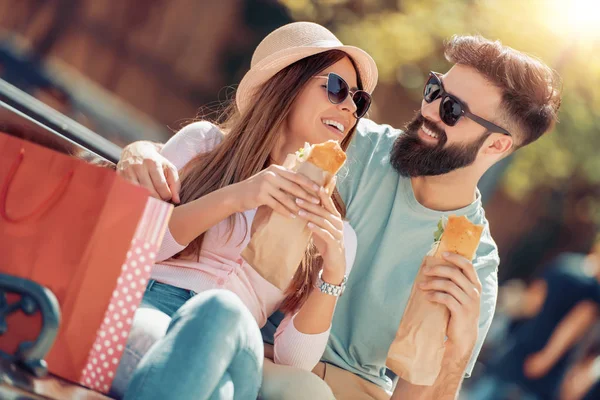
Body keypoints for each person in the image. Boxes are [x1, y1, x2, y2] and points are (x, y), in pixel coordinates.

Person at [118, 34, 562, 399]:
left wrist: (458, 351)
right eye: (434, 91)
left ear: (498, 146)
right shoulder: (348, 144)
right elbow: (234, 149)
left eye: (452, 111)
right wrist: (141, 153)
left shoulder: (473, 268)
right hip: (256, 347)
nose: (428, 111)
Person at [110, 22, 378, 400]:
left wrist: (332, 272)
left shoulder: (335, 230)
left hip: (241, 341)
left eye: (359, 101)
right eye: (336, 88)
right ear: (288, 84)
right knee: (214, 389)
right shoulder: (205, 146)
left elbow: (294, 358)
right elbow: (136, 245)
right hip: (154, 305)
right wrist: (239, 196)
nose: (350, 107)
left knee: (227, 314)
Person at [468, 241, 600, 399]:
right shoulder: (593, 289)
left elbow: (532, 303)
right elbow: (573, 326)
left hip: (520, 347)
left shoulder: (564, 263)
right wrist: (546, 357)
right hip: (541, 367)